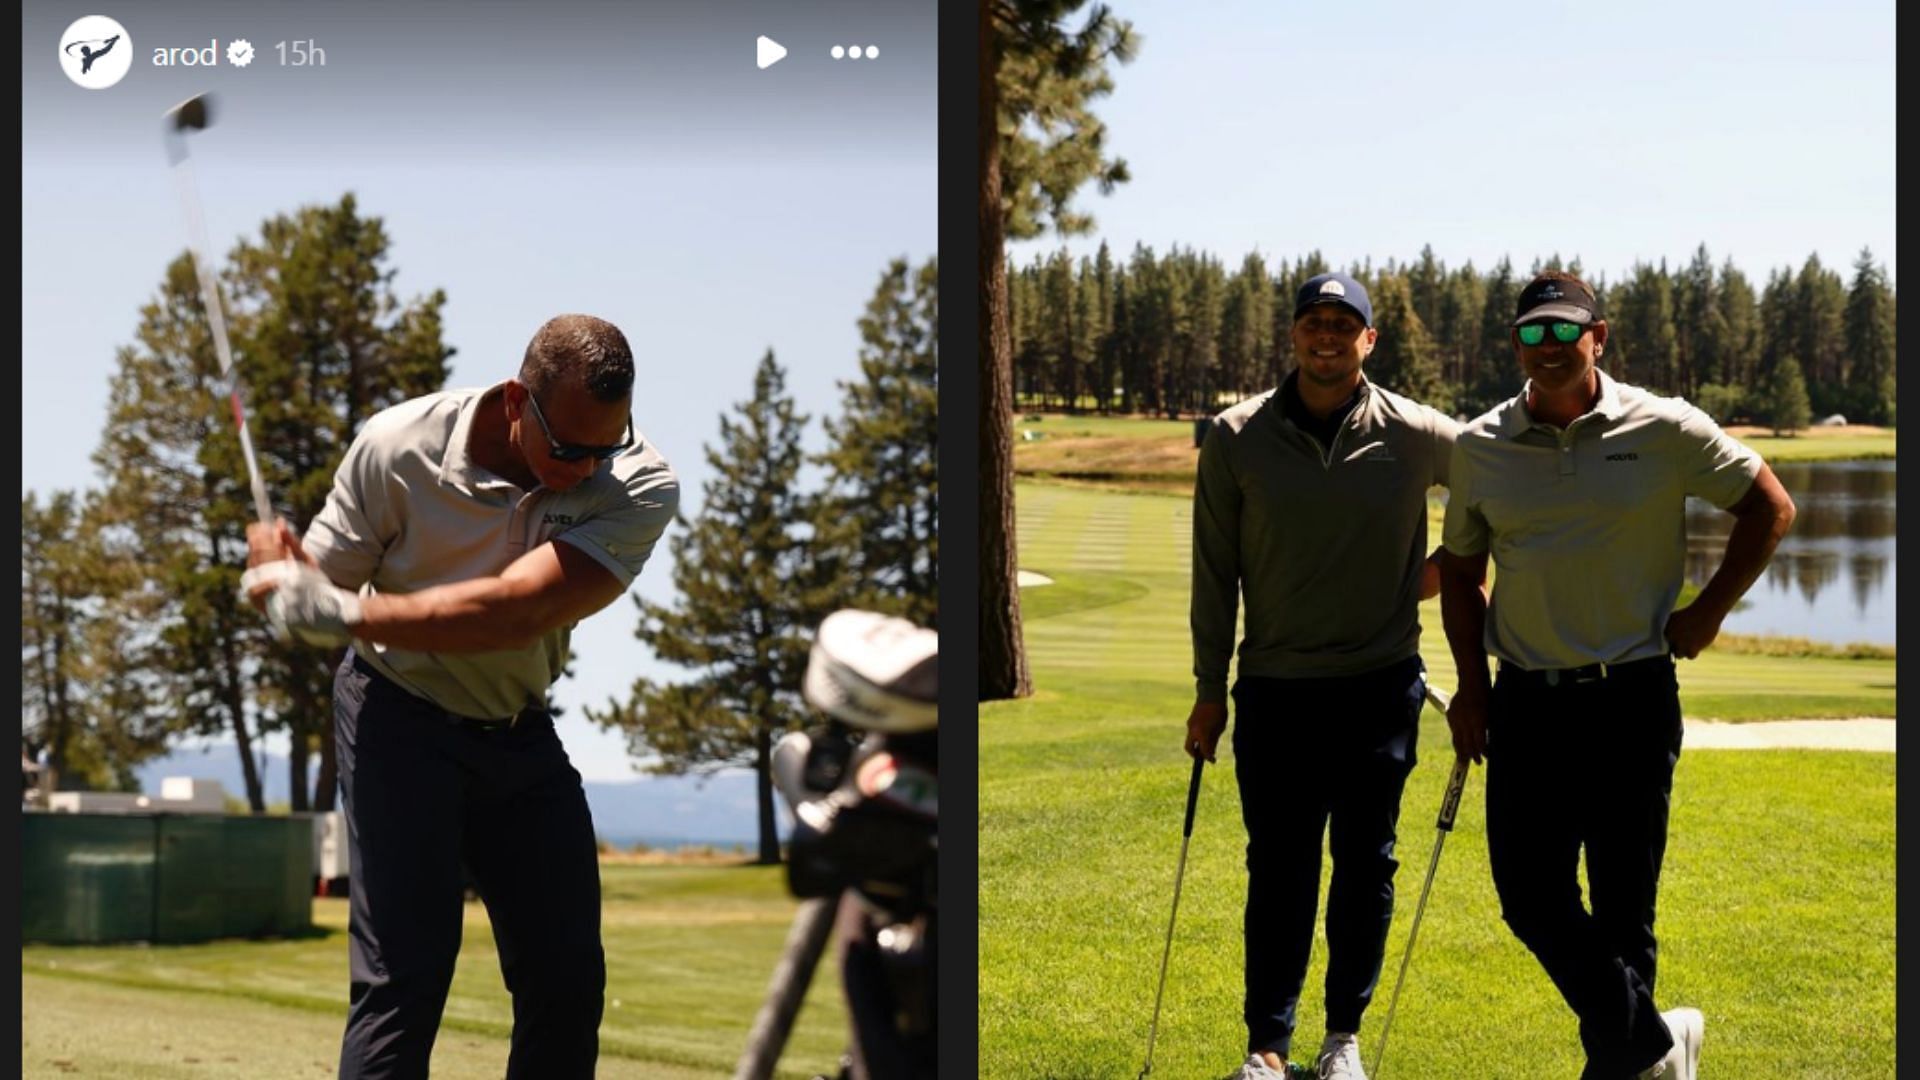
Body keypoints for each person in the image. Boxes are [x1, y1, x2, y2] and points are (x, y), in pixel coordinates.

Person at [240, 313, 679, 1080]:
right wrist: (281, 589)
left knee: (567, 979)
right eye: (569, 448)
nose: (586, 468)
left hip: (517, 731)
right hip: (393, 718)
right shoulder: (396, 447)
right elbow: (321, 587)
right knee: (403, 979)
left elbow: (516, 612)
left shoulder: (637, 483)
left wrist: (340, 612)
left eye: (606, 445)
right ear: (518, 401)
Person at [1436, 271, 1795, 1080]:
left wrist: (1707, 613)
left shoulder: (1663, 426)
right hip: (1527, 700)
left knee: (1625, 909)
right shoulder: (1482, 445)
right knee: (1529, 898)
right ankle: (1662, 1046)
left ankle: (1628, 1067)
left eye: (1566, 332)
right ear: (1516, 344)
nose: (1550, 348)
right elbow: (1460, 573)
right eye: (1532, 334)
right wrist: (1472, 685)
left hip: (1632, 696)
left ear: (1600, 335)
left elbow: (1771, 507)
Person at [1188, 271, 1459, 1080]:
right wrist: (1208, 691)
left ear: (1370, 340)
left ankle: (1343, 1039)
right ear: (1294, 335)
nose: (1328, 336)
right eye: (1315, 322)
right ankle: (1266, 1047)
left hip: (1381, 686)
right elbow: (1214, 574)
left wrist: (1433, 571)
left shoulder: (1414, 431)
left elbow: (1502, 494)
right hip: (1274, 689)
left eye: (1346, 324)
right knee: (1278, 870)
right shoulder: (1237, 436)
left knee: (1367, 864)